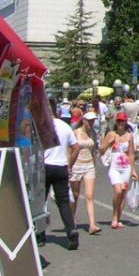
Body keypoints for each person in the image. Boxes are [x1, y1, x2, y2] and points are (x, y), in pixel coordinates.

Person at [44, 97, 80, 250]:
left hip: (44, 166)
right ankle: (71, 231)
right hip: (61, 167)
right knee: (63, 201)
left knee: (40, 201)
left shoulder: (42, 125)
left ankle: (39, 234)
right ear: (56, 110)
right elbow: (76, 147)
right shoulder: (65, 126)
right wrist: (70, 165)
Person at [100, 112, 138, 229]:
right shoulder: (111, 134)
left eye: (122, 121)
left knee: (123, 193)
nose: (120, 123)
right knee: (117, 190)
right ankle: (114, 216)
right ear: (116, 122)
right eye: (119, 121)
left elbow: (131, 154)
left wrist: (133, 170)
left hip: (125, 168)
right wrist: (109, 143)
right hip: (115, 167)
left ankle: (118, 218)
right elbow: (101, 150)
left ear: (126, 122)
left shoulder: (129, 136)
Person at [70, 110, 102, 235]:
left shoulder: (93, 133)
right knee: (75, 195)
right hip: (76, 166)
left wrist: (94, 166)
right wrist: (69, 166)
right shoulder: (75, 133)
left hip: (88, 166)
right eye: (89, 121)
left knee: (89, 195)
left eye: (93, 121)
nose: (91, 123)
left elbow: (94, 151)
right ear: (83, 120)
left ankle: (92, 225)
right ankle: (71, 220)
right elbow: (70, 151)